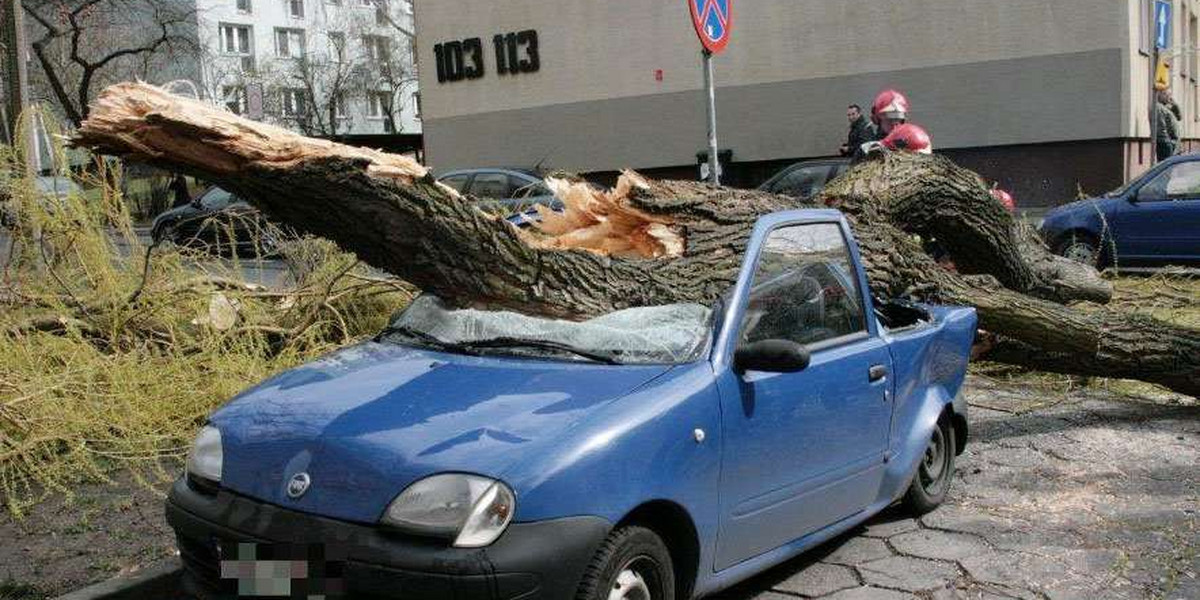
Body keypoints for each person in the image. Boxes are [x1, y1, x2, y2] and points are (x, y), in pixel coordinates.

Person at [1156, 89, 1181, 161]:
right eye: (1167, 95)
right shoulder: (1158, 107)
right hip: (1166, 143)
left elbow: (1179, 117)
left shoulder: (1167, 108)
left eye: (1170, 95)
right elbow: (1160, 127)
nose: (1169, 97)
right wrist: (1168, 143)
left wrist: (1175, 105)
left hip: (1173, 142)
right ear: (1161, 95)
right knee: (1167, 165)